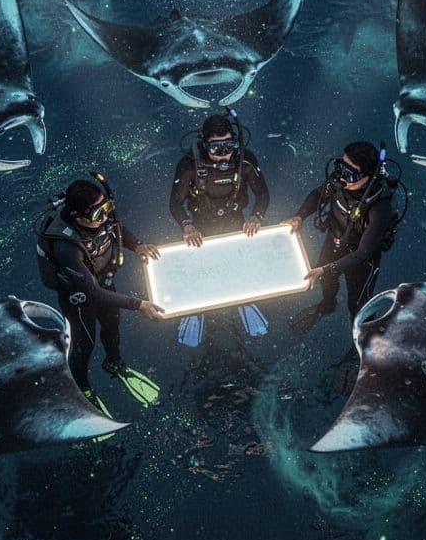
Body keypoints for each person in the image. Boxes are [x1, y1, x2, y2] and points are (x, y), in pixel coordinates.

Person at [36, 173, 165, 418]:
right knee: (85, 343)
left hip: (103, 282)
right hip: (79, 296)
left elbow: (117, 229)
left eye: (106, 208)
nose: (104, 217)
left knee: (112, 326)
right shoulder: (66, 246)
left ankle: (114, 363)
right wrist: (139, 304)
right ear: (77, 216)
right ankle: (82, 388)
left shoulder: (100, 218)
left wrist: (137, 245)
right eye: (97, 214)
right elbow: (91, 292)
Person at [167, 108, 271, 346]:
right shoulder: (189, 166)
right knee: (201, 268)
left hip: (236, 219)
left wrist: (256, 216)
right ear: (205, 145)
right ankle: (197, 308)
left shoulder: (244, 160)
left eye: (228, 146)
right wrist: (187, 225)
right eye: (216, 148)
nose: (224, 154)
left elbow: (262, 194)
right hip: (200, 225)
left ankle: (243, 300)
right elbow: (175, 204)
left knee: (237, 262)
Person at [283, 141, 402, 342]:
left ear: (367, 176)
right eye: (341, 167)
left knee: (358, 305)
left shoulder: (379, 207)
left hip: (361, 259)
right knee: (326, 280)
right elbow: (317, 194)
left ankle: (363, 341)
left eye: (350, 173)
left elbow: (363, 253)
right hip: (335, 240)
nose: (341, 176)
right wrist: (299, 216)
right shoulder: (339, 181)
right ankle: (327, 305)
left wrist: (327, 268)